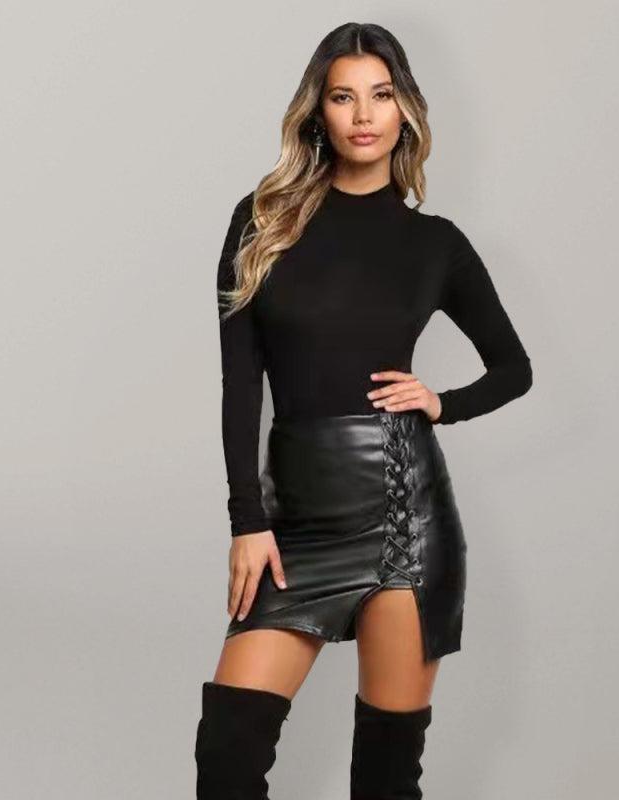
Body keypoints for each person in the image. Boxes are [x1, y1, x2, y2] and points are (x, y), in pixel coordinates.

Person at [194, 21, 533, 800]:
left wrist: (442, 402)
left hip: (404, 518)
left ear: (405, 108)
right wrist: (247, 521)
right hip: (296, 523)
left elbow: (514, 368)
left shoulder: (435, 244)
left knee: (384, 781)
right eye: (343, 97)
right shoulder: (262, 221)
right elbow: (240, 383)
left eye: (380, 95)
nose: (363, 115)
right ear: (318, 111)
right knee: (228, 758)